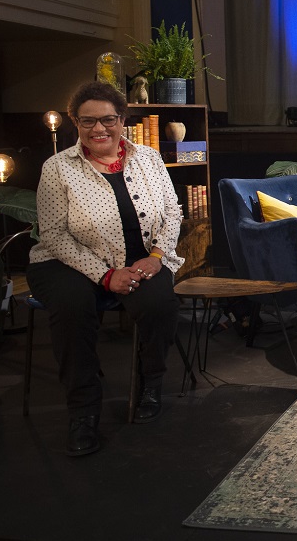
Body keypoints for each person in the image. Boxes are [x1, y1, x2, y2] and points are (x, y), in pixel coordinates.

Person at [27, 81, 183, 456]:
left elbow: (173, 212)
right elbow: (53, 235)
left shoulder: (148, 158)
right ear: (75, 123)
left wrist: (157, 256)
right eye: (88, 122)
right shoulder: (58, 168)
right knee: (72, 307)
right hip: (67, 261)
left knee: (159, 303)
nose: (99, 129)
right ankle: (82, 412)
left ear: (122, 120)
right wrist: (105, 274)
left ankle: (150, 383)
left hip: (141, 257)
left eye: (108, 120)